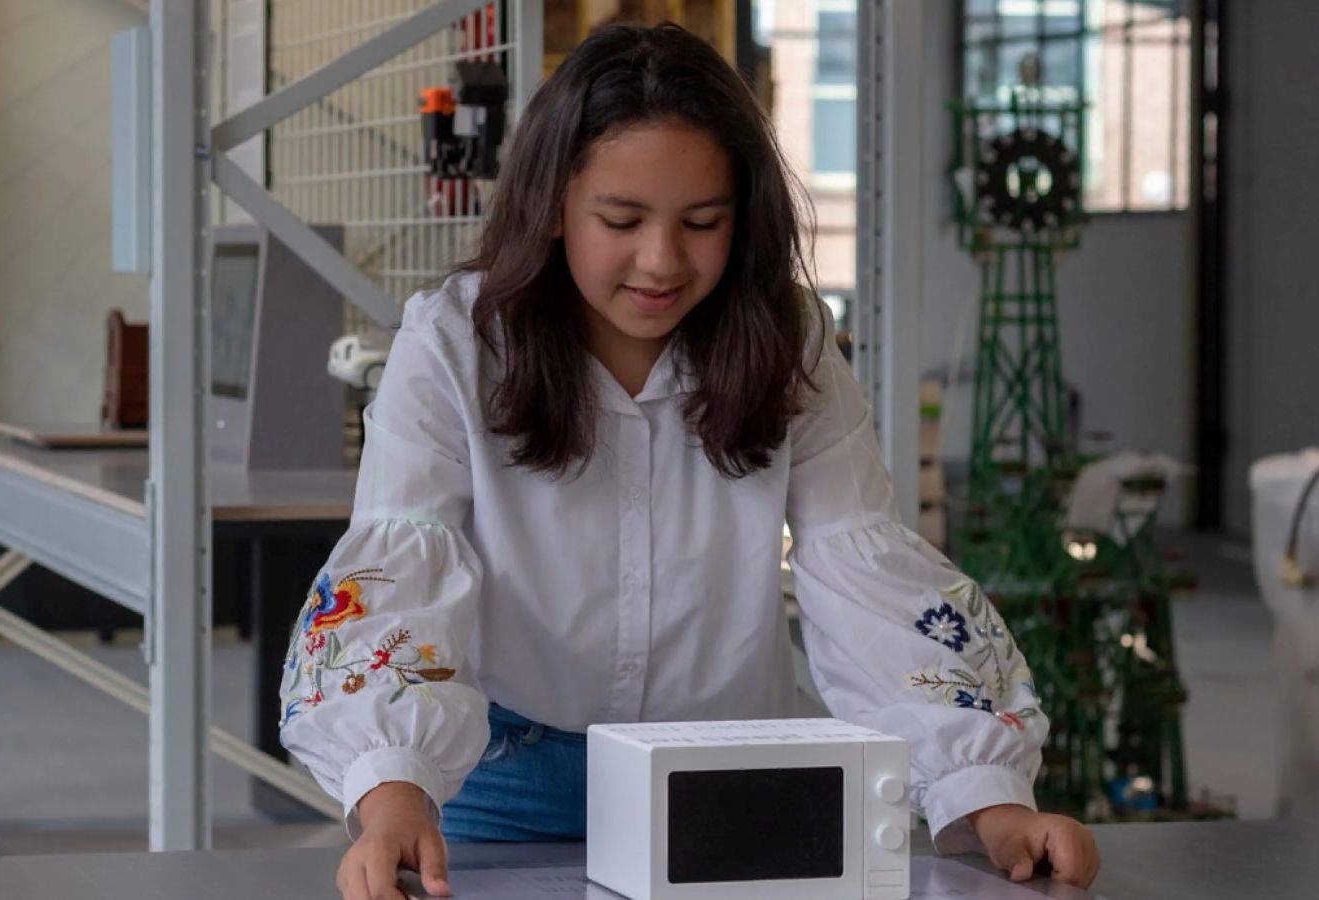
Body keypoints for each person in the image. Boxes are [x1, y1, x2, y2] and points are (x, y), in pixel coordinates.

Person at [279, 23, 1100, 900]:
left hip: (725, 776)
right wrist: (393, 792)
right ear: (553, 205)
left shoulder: (788, 342)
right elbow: (401, 568)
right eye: (621, 220)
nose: (662, 261)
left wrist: (989, 800)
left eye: (702, 222)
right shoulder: (455, 343)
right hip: (493, 780)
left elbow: (864, 569)